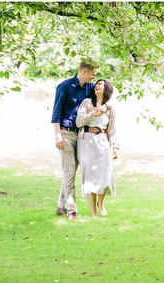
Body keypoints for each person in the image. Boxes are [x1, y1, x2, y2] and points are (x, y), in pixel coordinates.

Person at [52, 58, 109, 221]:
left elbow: (104, 96)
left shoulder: (90, 88)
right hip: (66, 133)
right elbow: (56, 113)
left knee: (71, 171)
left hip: (83, 136)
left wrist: (105, 107)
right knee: (69, 172)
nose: (94, 77)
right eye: (93, 74)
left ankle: (60, 206)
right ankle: (72, 211)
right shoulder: (64, 86)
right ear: (84, 71)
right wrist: (58, 135)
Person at [76, 79, 119, 218]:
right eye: (96, 84)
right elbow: (78, 122)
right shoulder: (86, 103)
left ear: (106, 88)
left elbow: (112, 131)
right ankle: (93, 213)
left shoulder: (110, 109)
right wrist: (91, 114)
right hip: (86, 141)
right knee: (88, 176)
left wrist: (115, 147)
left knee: (103, 174)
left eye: (100, 84)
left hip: (102, 141)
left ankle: (101, 203)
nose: (96, 86)